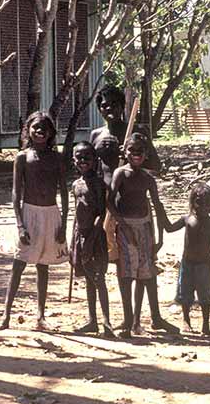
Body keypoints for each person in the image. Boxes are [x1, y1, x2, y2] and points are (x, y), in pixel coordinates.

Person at [0, 111, 68, 331]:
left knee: (43, 266)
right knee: (18, 264)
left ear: (51, 133)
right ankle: (6, 315)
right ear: (28, 130)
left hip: (51, 213)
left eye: (44, 129)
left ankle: (40, 316)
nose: (39, 132)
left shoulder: (56, 158)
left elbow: (64, 192)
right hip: (29, 214)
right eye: (35, 127)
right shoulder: (22, 157)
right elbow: (16, 194)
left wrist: (64, 224)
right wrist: (20, 225)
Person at [109, 133, 179, 337]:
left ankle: (149, 319)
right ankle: (128, 319)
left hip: (145, 228)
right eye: (132, 150)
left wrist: (161, 237)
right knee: (126, 274)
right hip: (126, 228)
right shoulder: (120, 174)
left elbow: (157, 205)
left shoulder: (148, 179)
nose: (136, 155)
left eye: (140, 151)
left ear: (146, 154)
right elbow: (110, 201)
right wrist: (122, 225)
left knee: (146, 274)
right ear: (125, 152)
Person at [69, 142, 114, 337]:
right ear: (74, 160)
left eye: (87, 157)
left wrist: (91, 239)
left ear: (95, 160)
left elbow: (101, 213)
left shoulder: (98, 183)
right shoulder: (75, 184)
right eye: (79, 157)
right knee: (88, 279)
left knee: (98, 279)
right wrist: (74, 242)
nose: (83, 161)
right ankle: (92, 321)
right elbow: (76, 214)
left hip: (95, 237)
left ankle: (107, 321)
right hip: (80, 235)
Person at [167, 183, 210, 336]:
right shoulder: (187, 219)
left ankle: (205, 324)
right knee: (185, 294)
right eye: (199, 202)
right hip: (187, 264)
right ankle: (186, 320)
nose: (203, 207)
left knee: (205, 296)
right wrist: (159, 210)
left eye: (207, 203)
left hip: (205, 265)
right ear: (193, 202)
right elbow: (169, 228)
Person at [90, 85, 160, 172]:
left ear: (122, 107)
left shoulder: (138, 132)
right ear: (100, 110)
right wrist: (97, 152)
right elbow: (90, 168)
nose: (109, 108)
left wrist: (131, 156)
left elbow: (156, 165)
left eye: (114, 104)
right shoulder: (96, 135)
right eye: (104, 106)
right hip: (105, 185)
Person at [93, 133, 122, 262]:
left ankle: (125, 280)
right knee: (106, 243)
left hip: (124, 197)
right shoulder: (96, 134)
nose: (108, 111)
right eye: (104, 109)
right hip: (102, 196)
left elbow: (154, 165)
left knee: (124, 243)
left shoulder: (130, 131)